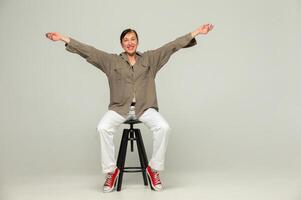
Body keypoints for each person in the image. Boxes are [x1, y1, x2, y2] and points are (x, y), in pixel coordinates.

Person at [45, 23, 214, 192]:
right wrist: (63, 39)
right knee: (103, 128)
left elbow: (171, 46)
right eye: (126, 40)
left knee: (163, 127)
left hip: (145, 108)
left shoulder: (150, 59)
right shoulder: (111, 61)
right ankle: (112, 171)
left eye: (133, 39)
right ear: (121, 44)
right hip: (120, 108)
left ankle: (153, 169)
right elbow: (89, 51)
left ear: (138, 41)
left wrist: (196, 32)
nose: (130, 42)